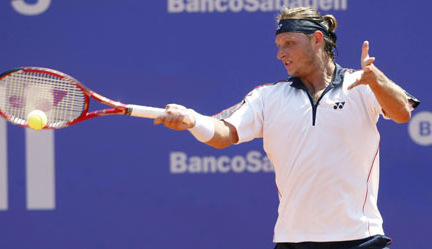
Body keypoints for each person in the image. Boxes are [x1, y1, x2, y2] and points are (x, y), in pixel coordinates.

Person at [154, 7, 420, 249]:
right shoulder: (268, 97)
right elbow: (224, 134)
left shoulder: (361, 84)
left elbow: (401, 113)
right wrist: (192, 120)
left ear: (317, 40)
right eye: (279, 45)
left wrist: (377, 81)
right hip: (294, 242)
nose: (280, 54)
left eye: (289, 44)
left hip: (362, 239)